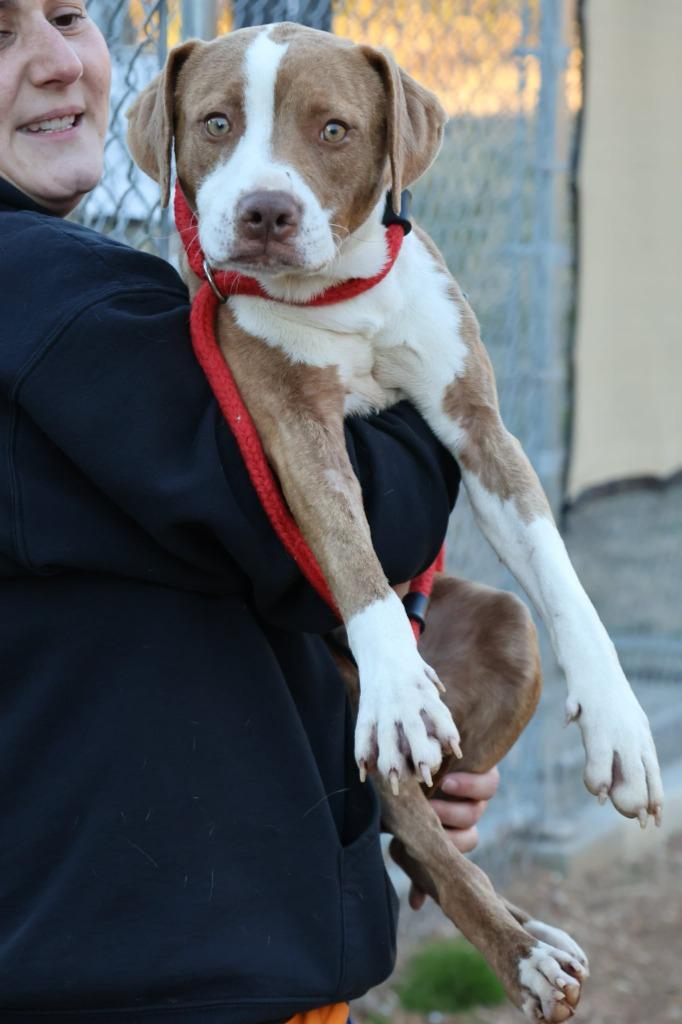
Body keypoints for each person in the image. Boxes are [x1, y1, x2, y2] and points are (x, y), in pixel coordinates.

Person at [0, 2, 499, 1020]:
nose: (57, 62)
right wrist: (434, 402)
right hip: (165, 966)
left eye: (67, 15)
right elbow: (343, 526)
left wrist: (379, 751)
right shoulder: (53, 301)